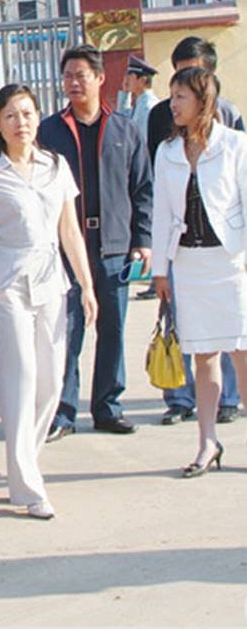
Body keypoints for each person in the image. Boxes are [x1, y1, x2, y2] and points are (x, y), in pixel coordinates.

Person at [0, 85, 96, 518]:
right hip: (7, 287)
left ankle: (24, 461)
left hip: (51, 283)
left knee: (51, 382)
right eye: (10, 115)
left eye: (27, 113)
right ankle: (26, 486)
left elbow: (70, 231)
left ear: (38, 117)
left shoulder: (55, 166)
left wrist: (86, 285)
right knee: (20, 379)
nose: (21, 122)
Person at [39, 44, 152, 442]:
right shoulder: (49, 131)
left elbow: (142, 189)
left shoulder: (125, 129)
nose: (73, 82)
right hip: (67, 249)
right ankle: (62, 412)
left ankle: (108, 407)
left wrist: (143, 240)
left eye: (81, 75)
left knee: (113, 329)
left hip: (114, 246)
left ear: (100, 78)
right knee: (67, 332)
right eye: (68, 75)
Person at [152, 66, 247, 477]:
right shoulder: (167, 151)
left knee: (242, 352)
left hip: (231, 262)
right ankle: (207, 442)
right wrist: (160, 270)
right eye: (171, 96)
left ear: (203, 100)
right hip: (189, 264)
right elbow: (161, 212)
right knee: (203, 356)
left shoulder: (235, 145)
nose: (173, 104)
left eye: (181, 97)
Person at [147, 36, 244, 161]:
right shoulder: (160, 115)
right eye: (180, 74)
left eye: (193, 73)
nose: (185, 80)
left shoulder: (228, 113)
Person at [122, 55, 159, 144]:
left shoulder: (147, 106)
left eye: (130, 77)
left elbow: (143, 142)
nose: (126, 81)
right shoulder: (140, 102)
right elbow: (122, 120)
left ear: (142, 80)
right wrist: (125, 94)